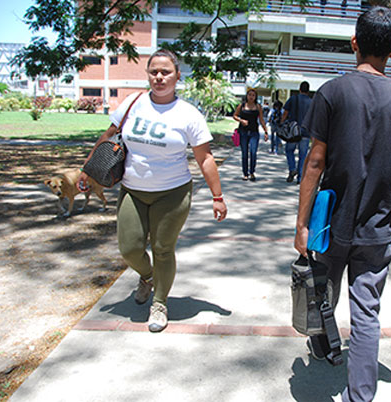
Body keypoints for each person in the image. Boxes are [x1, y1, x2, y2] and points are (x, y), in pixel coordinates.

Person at [295, 7, 391, 401]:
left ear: (354, 43)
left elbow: (315, 162)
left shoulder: (332, 92)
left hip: (330, 223)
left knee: (323, 290)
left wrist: (301, 225)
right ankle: (361, 396)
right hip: (376, 227)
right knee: (366, 313)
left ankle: (323, 346)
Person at [77, 49, 228, 332]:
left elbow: (205, 158)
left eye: (166, 72)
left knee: (162, 249)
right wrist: (88, 167)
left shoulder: (188, 114)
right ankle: (147, 276)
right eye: (154, 72)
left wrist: (217, 196)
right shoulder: (133, 102)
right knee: (130, 248)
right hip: (133, 190)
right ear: (147, 74)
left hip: (173, 192)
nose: (159, 77)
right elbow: (109, 136)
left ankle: (159, 302)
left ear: (177, 75)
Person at [233, 88, 269, 181]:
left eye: (253, 95)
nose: (251, 97)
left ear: (256, 97)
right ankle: (245, 173)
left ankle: (252, 172)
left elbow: (261, 120)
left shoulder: (258, 107)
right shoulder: (242, 106)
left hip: (254, 132)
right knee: (244, 153)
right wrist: (241, 120)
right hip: (243, 132)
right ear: (247, 96)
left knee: (253, 153)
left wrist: (265, 131)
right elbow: (235, 116)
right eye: (250, 95)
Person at [281, 81, 313, 184]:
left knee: (289, 150)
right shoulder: (312, 102)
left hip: (293, 131)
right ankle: (300, 178)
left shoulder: (293, 99)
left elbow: (285, 113)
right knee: (302, 155)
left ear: (299, 89)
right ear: (308, 91)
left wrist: (282, 123)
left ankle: (292, 168)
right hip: (305, 132)